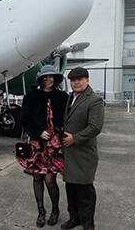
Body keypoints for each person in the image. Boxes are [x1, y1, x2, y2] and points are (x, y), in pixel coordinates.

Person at [17, 64, 69, 228]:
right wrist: (39, 131)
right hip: (36, 141)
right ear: (40, 79)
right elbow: (25, 119)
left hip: (54, 143)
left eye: (51, 77)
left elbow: (68, 118)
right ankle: (41, 212)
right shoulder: (31, 96)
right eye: (45, 78)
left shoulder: (62, 97)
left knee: (50, 180)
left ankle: (55, 210)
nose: (48, 80)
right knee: (37, 177)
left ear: (56, 79)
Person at [61, 67, 104, 230]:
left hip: (84, 152)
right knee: (71, 188)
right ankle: (74, 218)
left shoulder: (94, 100)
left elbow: (95, 127)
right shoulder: (71, 97)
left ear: (87, 80)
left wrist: (75, 138)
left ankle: (88, 223)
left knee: (85, 190)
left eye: (80, 79)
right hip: (69, 152)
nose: (76, 82)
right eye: (73, 80)